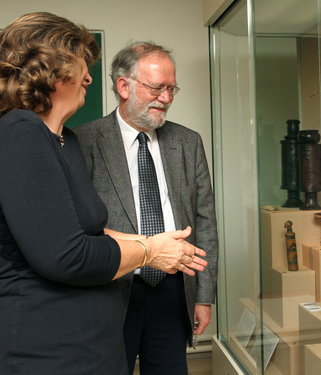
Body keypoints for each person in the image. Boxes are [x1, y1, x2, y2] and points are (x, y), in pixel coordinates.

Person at [0, 13, 207, 375]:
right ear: (54, 69)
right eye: (83, 64)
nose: (89, 78)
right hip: (47, 349)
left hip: (89, 345)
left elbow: (83, 232)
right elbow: (67, 254)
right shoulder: (21, 131)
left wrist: (158, 245)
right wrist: (151, 250)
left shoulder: (62, 140)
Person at [74, 42, 218, 374]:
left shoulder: (188, 142)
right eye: (156, 87)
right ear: (124, 86)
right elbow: (79, 227)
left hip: (172, 289)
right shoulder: (84, 141)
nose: (166, 98)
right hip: (109, 290)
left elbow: (205, 221)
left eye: (171, 88)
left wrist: (204, 296)